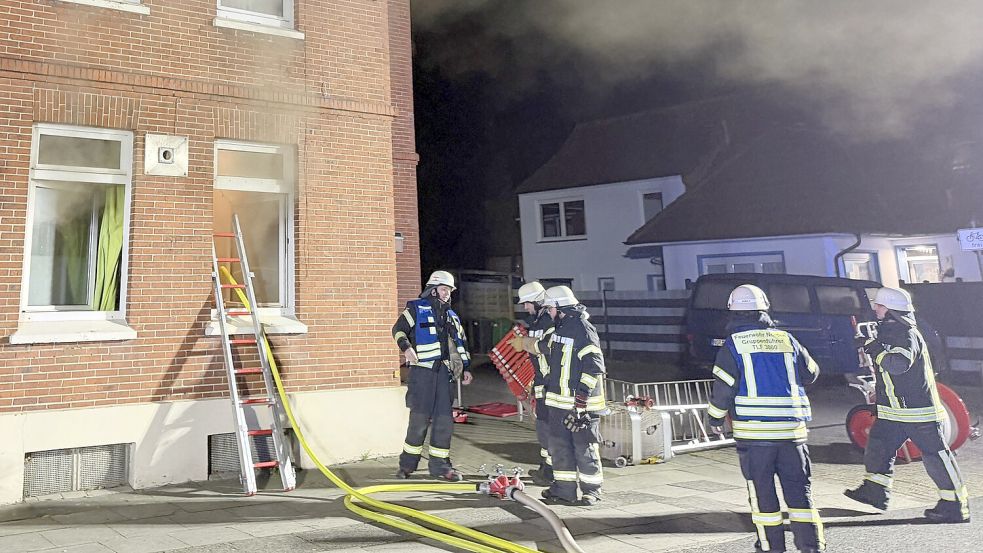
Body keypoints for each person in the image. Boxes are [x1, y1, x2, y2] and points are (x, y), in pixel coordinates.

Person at [707, 284, 824, 553]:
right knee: (800, 493)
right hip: (793, 433)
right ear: (764, 310)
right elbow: (812, 373)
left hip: (755, 436)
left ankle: (772, 546)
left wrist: (714, 419)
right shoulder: (787, 339)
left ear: (733, 313)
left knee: (763, 495)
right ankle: (811, 546)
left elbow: (723, 389)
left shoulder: (732, 345)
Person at [844, 286, 970, 523]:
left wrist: (874, 349)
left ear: (891, 310)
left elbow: (898, 365)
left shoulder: (905, 334)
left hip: (917, 411)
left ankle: (955, 505)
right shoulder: (892, 330)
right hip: (895, 411)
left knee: (935, 455)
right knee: (878, 446)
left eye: (879, 306)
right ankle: (875, 491)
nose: (875, 309)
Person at [513, 285, 606, 506]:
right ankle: (564, 491)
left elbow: (594, 366)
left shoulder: (583, 330)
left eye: (550, 308)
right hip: (558, 403)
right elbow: (546, 355)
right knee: (559, 448)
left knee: (585, 449)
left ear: (559, 307)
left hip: (580, 406)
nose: (548, 312)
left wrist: (581, 402)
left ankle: (591, 491)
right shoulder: (560, 329)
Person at [392, 270, 473, 481]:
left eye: (449, 290)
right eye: (444, 289)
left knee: (444, 421)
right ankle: (407, 466)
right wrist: (406, 348)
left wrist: (466, 368)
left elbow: (460, 344)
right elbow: (398, 330)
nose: (447, 293)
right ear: (433, 289)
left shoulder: (451, 316)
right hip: (423, 374)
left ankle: (440, 467)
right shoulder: (416, 309)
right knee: (418, 421)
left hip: (444, 375)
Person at [514, 281, 555, 487]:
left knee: (547, 427)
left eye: (528, 303)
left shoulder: (549, 320)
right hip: (542, 382)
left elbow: (547, 349)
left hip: (551, 384)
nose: (525, 308)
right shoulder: (539, 322)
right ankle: (546, 467)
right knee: (543, 427)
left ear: (539, 301)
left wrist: (526, 344)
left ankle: (550, 471)